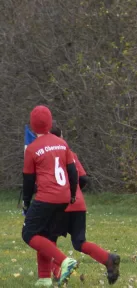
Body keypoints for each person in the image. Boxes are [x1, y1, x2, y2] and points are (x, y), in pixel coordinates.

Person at [36, 122, 120, 286]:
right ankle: (108, 259)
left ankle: (57, 272)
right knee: (80, 242)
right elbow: (83, 179)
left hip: (57, 203)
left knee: (46, 239)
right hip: (78, 203)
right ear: (62, 137)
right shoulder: (70, 153)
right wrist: (74, 193)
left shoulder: (43, 154)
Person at [22, 106, 79, 287]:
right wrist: (71, 195)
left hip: (46, 197)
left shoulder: (32, 149)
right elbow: (72, 171)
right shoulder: (62, 143)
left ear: (32, 125)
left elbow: (28, 180)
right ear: (49, 122)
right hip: (63, 197)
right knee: (46, 236)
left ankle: (64, 260)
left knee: (29, 233)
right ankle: (44, 277)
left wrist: (26, 202)